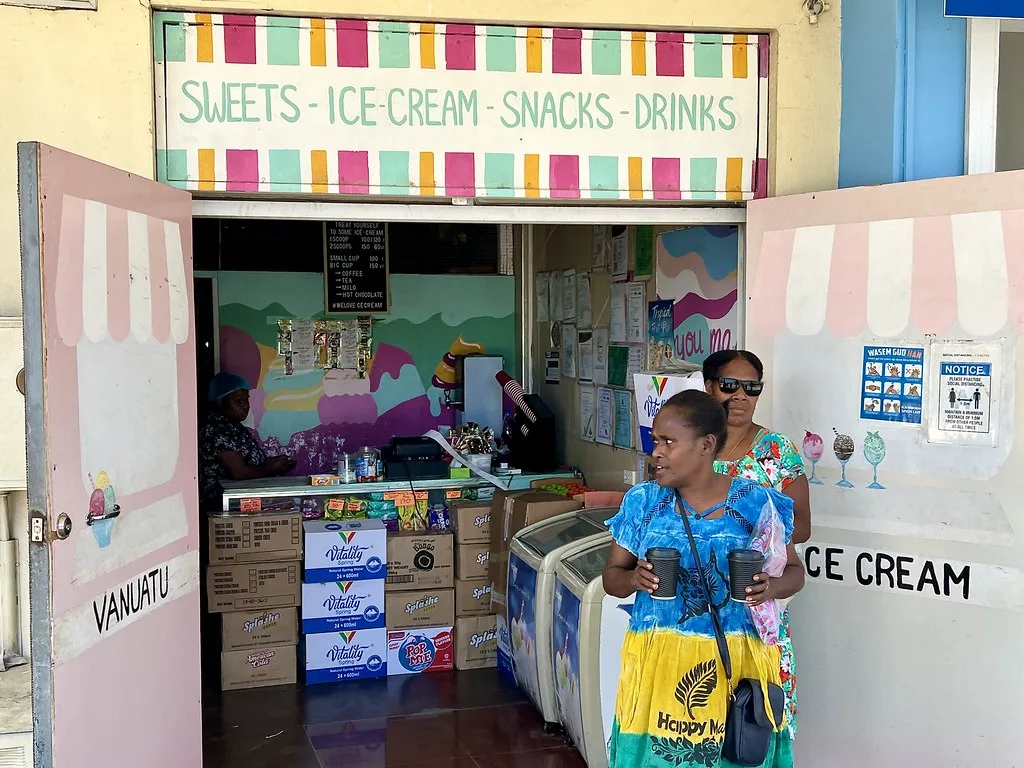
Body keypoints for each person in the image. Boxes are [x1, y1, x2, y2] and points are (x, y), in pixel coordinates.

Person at [603, 390, 804, 768]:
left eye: (669, 442)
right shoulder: (643, 502)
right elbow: (611, 578)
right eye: (655, 442)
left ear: (706, 445)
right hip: (660, 663)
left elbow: (794, 573)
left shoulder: (756, 503)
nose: (656, 452)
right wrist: (634, 580)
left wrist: (771, 588)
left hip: (738, 665)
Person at [702, 350, 809, 742]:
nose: (741, 396)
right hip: (700, 603)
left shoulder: (777, 451)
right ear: (709, 387)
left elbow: (802, 527)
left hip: (756, 600)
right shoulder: (692, 445)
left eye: (752, 388)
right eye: (730, 386)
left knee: (759, 722)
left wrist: (751, 527)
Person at [199, 372, 295, 507]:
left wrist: (273, 463)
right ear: (221, 402)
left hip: (242, 500)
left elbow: (249, 461)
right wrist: (270, 469)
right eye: (238, 401)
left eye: (246, 400)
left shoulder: (234, 426)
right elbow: (240, 473)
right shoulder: (216, 429)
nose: (245, 405)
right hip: (224, 503)